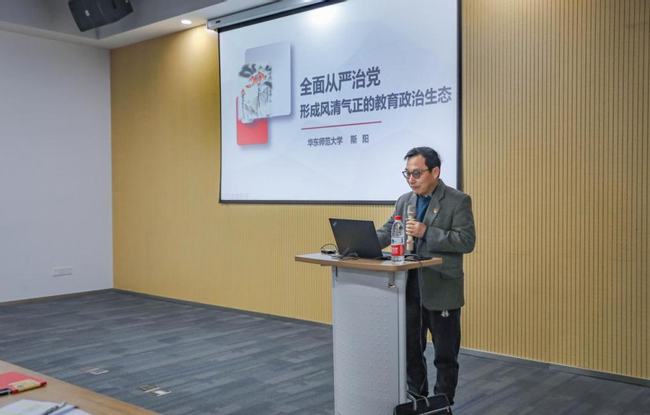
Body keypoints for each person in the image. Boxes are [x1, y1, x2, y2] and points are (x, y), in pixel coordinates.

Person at [377, 147, 475, 406]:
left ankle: (443, 403)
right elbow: (388, 230)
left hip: (441, 288)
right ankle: (416, 399)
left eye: (417, 173)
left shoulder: (457, 200)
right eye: (407, 174)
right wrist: (358, 242)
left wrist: (426, 231)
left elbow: (466, 241)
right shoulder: (404, 200)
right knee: (411, 349)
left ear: (435, 171)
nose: (411, 179)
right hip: (409, 287)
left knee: (445, 355)